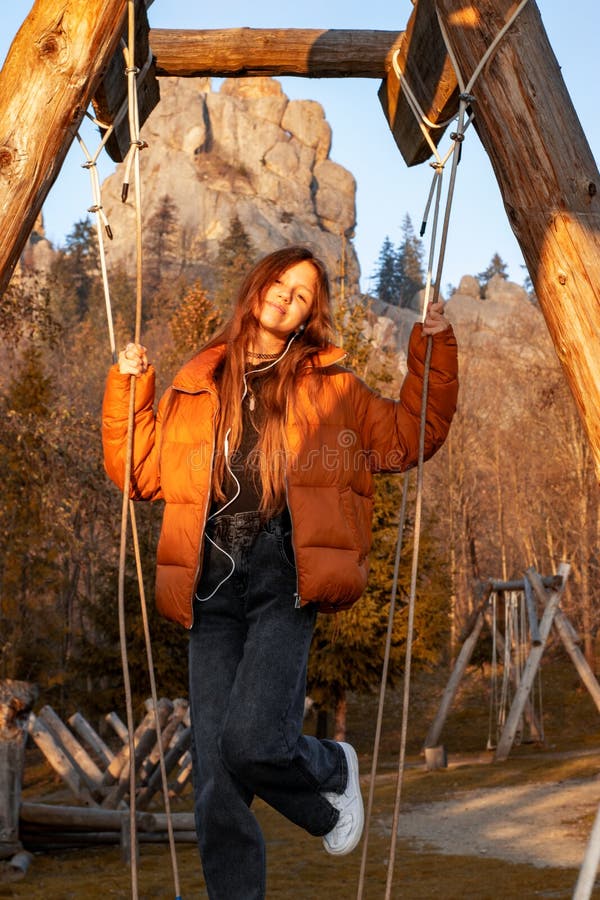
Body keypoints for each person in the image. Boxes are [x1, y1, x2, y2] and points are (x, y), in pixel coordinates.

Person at [102, 245, 458, 899]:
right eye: (281, 282)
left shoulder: (335, 389)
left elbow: (410, 436)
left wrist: (433, 353)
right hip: (209, 585)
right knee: (216, 780)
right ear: (257, 285)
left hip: (283, 577)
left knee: (251, 741)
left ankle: (330, 769)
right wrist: (130, 387)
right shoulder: (196, 381)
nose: (287, 297)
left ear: (309, 315)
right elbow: (140, 472)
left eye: (303, 294)